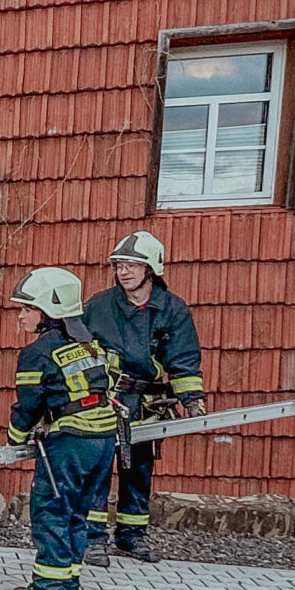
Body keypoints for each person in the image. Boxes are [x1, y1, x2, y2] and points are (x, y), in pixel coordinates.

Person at [82, 231, 204, 563]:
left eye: (132, 266)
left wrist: (192, 401)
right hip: (105, 399)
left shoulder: (172, 310)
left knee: (138, 470)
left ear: (151, 269)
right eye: (119, 265)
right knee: (98, 468)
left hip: (146, 403)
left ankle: (132, 537)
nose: (123, 272)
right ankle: (92, 539)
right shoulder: (98, 306)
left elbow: (183, 359)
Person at [5, 267, 121, 590]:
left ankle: (50, 588)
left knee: (52, 510)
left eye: (27, 308)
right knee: (77, 513)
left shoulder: (37, 353)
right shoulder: (91, 346)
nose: (21, 315)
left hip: (69, 443)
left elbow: (28, 406)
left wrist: (15, 440)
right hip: (104, 439)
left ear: (48, 311)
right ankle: (69, 585)